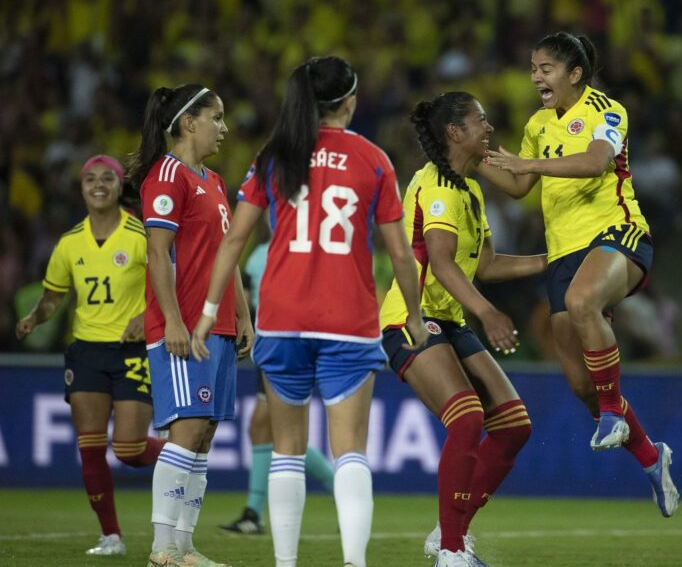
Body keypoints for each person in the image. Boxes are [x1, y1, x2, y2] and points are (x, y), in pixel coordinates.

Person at [192, 56, 428, 567]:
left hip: (281, 316)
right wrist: (413, 315)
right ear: (350, 101)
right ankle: (354, 563)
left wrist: (211, 311)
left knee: (288, 449)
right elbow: (402, 254)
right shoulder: (373, 160)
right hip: (348, 318)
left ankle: (284, 564)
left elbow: (234, 238)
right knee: (350, 451)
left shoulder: (276, 155)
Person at [481, 32, 679, 517]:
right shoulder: (536, 124)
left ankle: (614, 412)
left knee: (583, 300)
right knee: (581, 386)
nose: (535, 77)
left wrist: (528, 161)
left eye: (545, 68)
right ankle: (653, 459)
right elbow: (519, 186)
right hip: (562, 253)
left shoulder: (606, 109)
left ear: (574, 74)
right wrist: (474, 160)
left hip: (617, 233)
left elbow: (596, 162)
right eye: (532, 68)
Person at [378, 92, 544, 567]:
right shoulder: (438, 187)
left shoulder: (470, 190)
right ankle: (451, 551)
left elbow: (486, 264)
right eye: (481, 121)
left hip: (447, 320)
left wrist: (552, 263)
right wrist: (488, 314)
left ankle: (449, 532)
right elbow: (443, 263)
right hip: (410, 319)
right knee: (468, 419)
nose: (489, 128)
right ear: (455, 132)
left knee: (513, 426)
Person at [127, 84, 254, 567]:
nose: (223, 127)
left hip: (217, 326)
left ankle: (183, 547)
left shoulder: (215, 181)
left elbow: (228, 254)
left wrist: (242, 314)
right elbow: (156, 253)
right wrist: (173, 322)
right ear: (188, 123)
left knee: (204, 435)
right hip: (182, 328)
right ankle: (162, 546)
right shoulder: (166, 176)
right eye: (216, 117)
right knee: (188, 428)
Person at [15, 155, 162, 557]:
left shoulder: (139, 234)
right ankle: (111, 535)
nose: (98, 185)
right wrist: (35, 317)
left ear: (118, 186)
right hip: (86, 353)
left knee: (130, 450)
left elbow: (169, 283)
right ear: (81, 188)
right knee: (91, 446)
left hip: (131, 351)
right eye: (90, 179)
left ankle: (181, 455)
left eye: (107, 178)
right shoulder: (70, 243)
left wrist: (146, 315)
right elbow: (54, 296)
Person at [220, 237, 336, 536]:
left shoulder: (308, 246)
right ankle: (254, 513)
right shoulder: (258, 253)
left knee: (274, 427)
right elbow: (243, 293)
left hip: (293, 340)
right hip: (267, 341)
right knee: (265, 427)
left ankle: (255, 512)